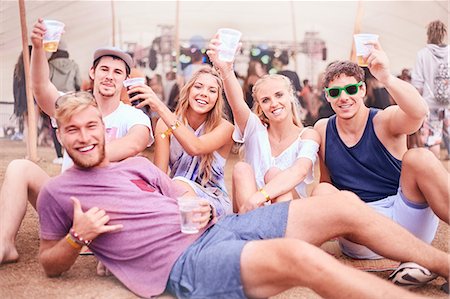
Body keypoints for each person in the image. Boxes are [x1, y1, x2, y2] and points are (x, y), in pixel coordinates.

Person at [36, 90, 450, 299]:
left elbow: (176, 198)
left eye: (92, 126)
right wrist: (79, 236)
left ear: (103, 127)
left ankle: (444, 265)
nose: (86, 137)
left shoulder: (138, 166)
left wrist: (191, 205)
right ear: (60, 133)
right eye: (73, 129)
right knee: (300, 257)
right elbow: (50, 263)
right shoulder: (58, 193)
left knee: (339, 204)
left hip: (223, 227)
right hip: (184, 264)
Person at [0, 18, 153, 265]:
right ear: (92, 72)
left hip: (106, 208)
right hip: (65, 201)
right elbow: (40, 88)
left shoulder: (133, 116)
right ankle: (4, 243)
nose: (109, 76)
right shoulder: (72, 105)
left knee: (136, 163)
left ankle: (99, 242)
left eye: (117, 72)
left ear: (125, 79)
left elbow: (135, 144)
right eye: (104, 69)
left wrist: (86, 159)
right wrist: (39, 49)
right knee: (19, 167)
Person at [313, 40, 450, 285]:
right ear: (327, 97)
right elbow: (326, 183)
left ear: (363, 90)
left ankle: (414, 261)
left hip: (406, 217)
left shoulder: (384, 121)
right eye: (335, 92)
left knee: (420, 157)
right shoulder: (323, 129)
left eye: (351, 90)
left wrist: (386, 77)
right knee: (322, 190)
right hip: (362, 228)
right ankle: (417, 263)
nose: (343, 97)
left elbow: (418, 113)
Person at [207, 38, 320, 213]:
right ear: (260, 106)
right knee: (241, 168)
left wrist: (259, 197)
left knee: (274, 174)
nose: (274, 103)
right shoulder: (254, 129)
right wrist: (226, 70)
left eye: (279, 95)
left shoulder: (308, 135)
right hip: (251, 209)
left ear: (291, 95)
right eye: (266, 100)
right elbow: (237, 103)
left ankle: (272, 231)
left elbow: (300, 171)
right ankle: (253, 228)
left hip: (289, 213)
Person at [137, 67, 234, 216]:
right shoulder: (164, 126)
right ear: (188, 90)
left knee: (178, 186)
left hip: (213, 203)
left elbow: (195, 147)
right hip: (175, 196)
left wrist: (160, 108)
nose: (204, 93)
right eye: (198, 86)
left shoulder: (225, 128)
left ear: (218, 99)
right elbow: (160, 175)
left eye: (212, 90)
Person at [411, 20, 449, 159]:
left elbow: (418, 83)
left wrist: (417, 102)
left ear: (428, 34)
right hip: (449, 104)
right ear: (443, 34)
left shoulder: (422, 54)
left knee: (433, 140)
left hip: (430, 104)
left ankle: (435, 172)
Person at [48, 40, 82, 164]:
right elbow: (79, 82)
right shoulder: (74, 65)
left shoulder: (50, 64)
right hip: (70, 97)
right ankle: (71, 152)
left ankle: (59, 155)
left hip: (54, 97)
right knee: (71, 124)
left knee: (55, 126)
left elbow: (47, 82)